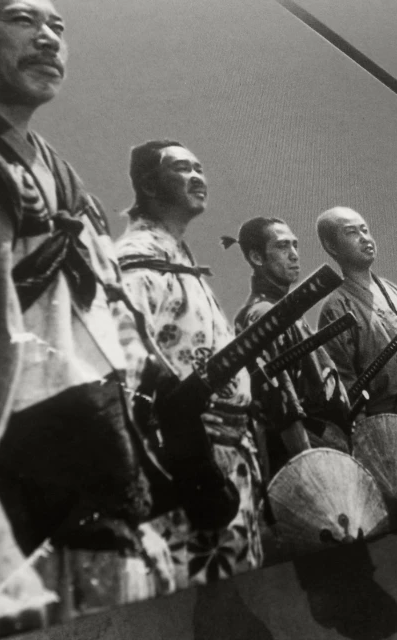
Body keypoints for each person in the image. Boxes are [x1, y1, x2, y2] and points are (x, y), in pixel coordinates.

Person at [0, 0, 173, 630]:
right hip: (11, 473)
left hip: (95, 451)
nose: (48, 38)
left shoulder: (63, 175)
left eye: (58, 26)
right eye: (21, 20)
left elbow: (110, 315)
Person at [115, 140, 263, 588]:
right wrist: (186, 456)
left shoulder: (179, 259)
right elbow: (123, 365)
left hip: (227, 461)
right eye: (181, 168)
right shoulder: (137, 261)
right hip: (185, 463)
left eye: (200, 167)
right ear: (148, 184)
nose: (198, 176)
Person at [229, 218, 351, 479]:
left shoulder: (285, 309)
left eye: (295, 245)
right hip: (298, 459)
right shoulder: (263, 314)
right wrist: (310, 472)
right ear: (257, 257)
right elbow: (282, 406)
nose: (294, 255)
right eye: (283, 247)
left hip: (323, 446)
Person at [315, 207, 397, 432]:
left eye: (365, 229)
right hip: (387, 431)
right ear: (331, 246)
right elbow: (345, 388)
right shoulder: (336, 308)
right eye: (351, 232)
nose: (364, 238)